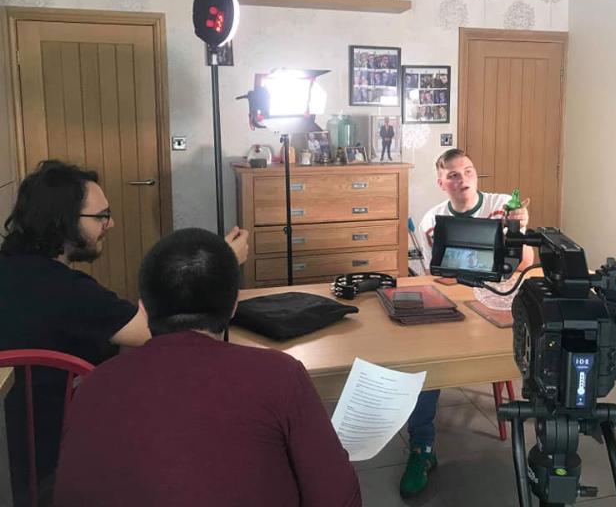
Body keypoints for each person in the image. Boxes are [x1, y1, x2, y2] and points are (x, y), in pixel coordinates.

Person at [54, 228, 361, 507]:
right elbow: (338, 497)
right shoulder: (280, 376)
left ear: (143, 308)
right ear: (233, 307)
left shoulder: (92, 385)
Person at [0, 160, 249, 503]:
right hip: (56, 454)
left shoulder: (13, 269)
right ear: (63, 221)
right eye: (101, 216)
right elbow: (162, 332)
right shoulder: (67, 290)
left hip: (11, 445)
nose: (111, 224)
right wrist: (220, 263)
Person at [399, 148, 533, 497]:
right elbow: (439, 276)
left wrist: (516, 229)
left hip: (504, 300)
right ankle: (421, 448)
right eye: (454, 175)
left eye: (469, 171)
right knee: (426, 360)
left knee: (538, 353)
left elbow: (525, 264)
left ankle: (544, 446)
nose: (463, 180)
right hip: (459, 300)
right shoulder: (432, 219)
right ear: (441, 183)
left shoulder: (503, 205)